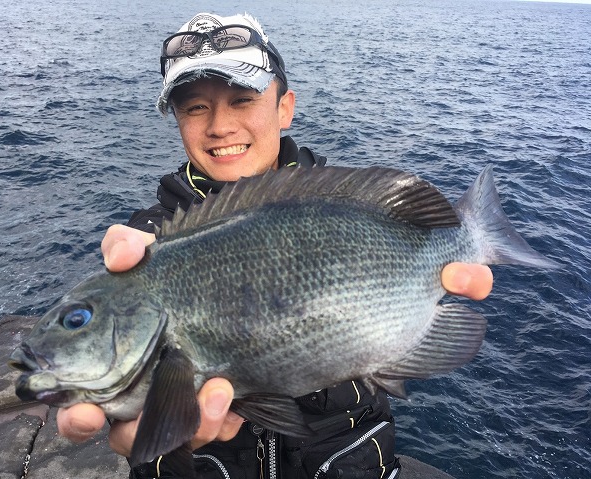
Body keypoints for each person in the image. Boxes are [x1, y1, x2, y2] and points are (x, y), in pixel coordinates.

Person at [56, 12, 494, 479]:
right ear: (178, 120)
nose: (220, 126)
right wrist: (150, 435)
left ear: (285, 107)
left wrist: (410, 293)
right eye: (195, 108)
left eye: (242, 99)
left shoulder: (341, 209)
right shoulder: (149, 243)